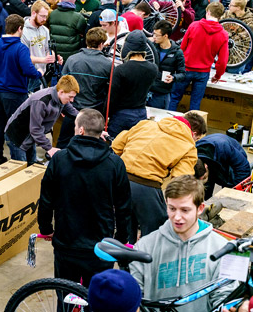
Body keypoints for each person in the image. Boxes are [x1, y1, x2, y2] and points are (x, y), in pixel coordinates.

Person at [39, 108, 131, 288]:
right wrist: (120, 239)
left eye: (74, 125)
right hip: (101, 247)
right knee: (97, 298)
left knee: (65, 295)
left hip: (66, 242)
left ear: (81, 130)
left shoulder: (60, 159)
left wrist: (46, 227)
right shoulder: (115, 164)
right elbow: (123, 206)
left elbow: (46, 198)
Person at [130, 175, 236, 312]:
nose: (177, 217)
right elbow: (135, 293)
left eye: (185, 210)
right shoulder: (145, 246)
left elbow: (224, 295)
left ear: (200, 208)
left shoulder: (221, 247)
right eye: (172, 209)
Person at [112, 116, 197, 243]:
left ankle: (124, 259)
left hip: (119, 179)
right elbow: (181, 179)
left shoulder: (144, 125)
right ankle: (147, 259)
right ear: (192, 133)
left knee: (125, 225)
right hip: (146, 185)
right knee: (156, 231)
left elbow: (116, 146)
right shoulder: (188, 146)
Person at [0, 14, 43, 167]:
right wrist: (39, 74)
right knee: (19, 128)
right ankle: (21, 162)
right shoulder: (20, 48)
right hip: (15, 94)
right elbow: (29, 70)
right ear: (19, 29)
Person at [5, 75, 79, 165]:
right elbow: (35, 129)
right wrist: (49, 148)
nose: (72, 100)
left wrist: (89, 122)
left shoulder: (61, 98)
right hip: (17, 137)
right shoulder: (41, 101)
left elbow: (73, 112)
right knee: (21, 170)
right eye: (70, 97)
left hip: (30, 136)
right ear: (61, 92)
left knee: (32, 165)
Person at [57, 27, 112, 148]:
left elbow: (61, 85)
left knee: (63, 145)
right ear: (102, 44)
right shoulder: (108, 65)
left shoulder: (72, 60)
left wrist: (62, 106)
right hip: (94, 114)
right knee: (89, 147)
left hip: (71, 111)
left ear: (86, 41)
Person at [169, 2, 229, 111]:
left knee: (174, 98)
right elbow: (223, 60)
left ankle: (166, 124)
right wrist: (218, 75)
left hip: (185, 69)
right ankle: (193, 127)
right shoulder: (223, 34)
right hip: (203, 73)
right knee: (195, 103)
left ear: (208, 12)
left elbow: (182, 48)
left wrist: (176, 66)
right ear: (220, 16)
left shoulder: (194, 26)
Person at [107, 30, 158, 137]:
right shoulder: (153, 68)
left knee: (115, 148)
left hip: (121, 116)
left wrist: (105, 116)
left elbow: (112, 97)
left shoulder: (120, 70)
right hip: (141, 114)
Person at [22, 0, 61, 92]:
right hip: (29, 74)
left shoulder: (45, 30)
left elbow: (48, 49)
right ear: (34, 13)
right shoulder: (23, 31)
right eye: (42, 16)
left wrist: (53, 56)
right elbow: (23, 57)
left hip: (43, 73)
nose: (44, 19)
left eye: (46, 16)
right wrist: (44, 60)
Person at [147, 20, 185, 109]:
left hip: (161, 93)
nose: (154, 37)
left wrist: (173, 77)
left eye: (157, 35)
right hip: (147, 90)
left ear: (165, 36)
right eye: (153, 34)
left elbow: (182, 74)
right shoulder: (151, 47)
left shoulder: (177, 52)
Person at [47, 0, 87, 64]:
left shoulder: (52, 14)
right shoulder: (78, 17)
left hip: (56, 55)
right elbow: (84, 33)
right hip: (72, 56)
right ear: (73, 1)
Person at [221, 0, 253, 73]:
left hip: (237, 57)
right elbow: (219, 26)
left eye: (231, 5)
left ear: (238, 7)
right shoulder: (227, 14)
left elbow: (245, 36)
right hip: (222, 54)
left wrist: (229, 35)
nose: (228, 6)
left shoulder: (250, 20)